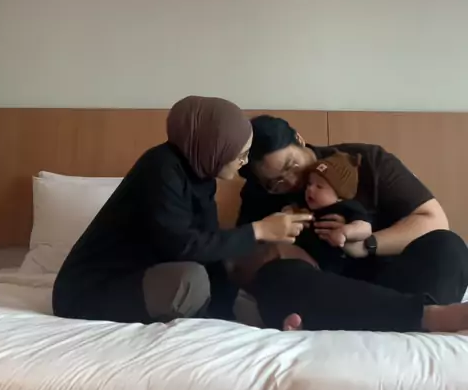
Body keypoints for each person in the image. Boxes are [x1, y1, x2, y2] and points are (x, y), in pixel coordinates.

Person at [52, 97, 311, 325]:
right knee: (191, 282)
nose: (243, 163)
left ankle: (209, 319)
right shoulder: (160, 169)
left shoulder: (201, 176)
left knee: (225, 259)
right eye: (240, 154)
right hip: (89, 290)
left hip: (140, 276)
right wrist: (259, 230)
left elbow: (210, 245)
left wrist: (226, 319)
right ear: (216, 146)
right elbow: (182, 246)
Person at [237, 115, 468, 332]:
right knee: (274, 277)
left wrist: (368, 244)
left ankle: (414, 315)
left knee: (448, 245)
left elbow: (432, 220)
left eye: (291, 165)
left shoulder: (364, 161)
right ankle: (423, 318)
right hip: (328, 291)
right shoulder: (259, 194)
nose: (292, 181)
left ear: (299, 139)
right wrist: (277, 246)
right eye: (276, 182)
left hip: (394, 280)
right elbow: (241, 263)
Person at [283, 151, 372, 273]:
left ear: (340, 196)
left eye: (319, 186)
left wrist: (345, 232)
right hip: (298, 259)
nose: (310, 189)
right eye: (309, 184)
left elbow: (365, 228)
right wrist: (289, 213)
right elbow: (288, 211)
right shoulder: (305, 205)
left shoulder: (345, 207)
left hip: (328, 267)